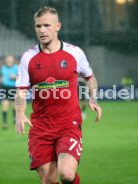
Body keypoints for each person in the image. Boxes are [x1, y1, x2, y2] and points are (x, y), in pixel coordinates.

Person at [15, 7, 102, 184]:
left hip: (68, 124)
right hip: (40, 127)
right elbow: (21, 91)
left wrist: (93, 99)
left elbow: (90, 78)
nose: (42, 30)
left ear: (57, 26)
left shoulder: (74, 53)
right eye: (38, 26)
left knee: (67, 174)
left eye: (47, 25)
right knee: (49, 181)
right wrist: (19, 113)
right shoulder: (28, 58)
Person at [0, 55, 18, 129]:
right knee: (4, 105)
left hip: (13, 88)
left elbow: (21, 77)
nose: (9, 61)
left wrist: (14, 77)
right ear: (6, 61)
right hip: (4, 88)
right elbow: (4, 76)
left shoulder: (16, 68)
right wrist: (0, 79)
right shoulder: (3, 68)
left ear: (13, 61)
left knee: (13, 105)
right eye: (8, 60)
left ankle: (15, 117)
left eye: (10, 60)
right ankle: (5, 123)